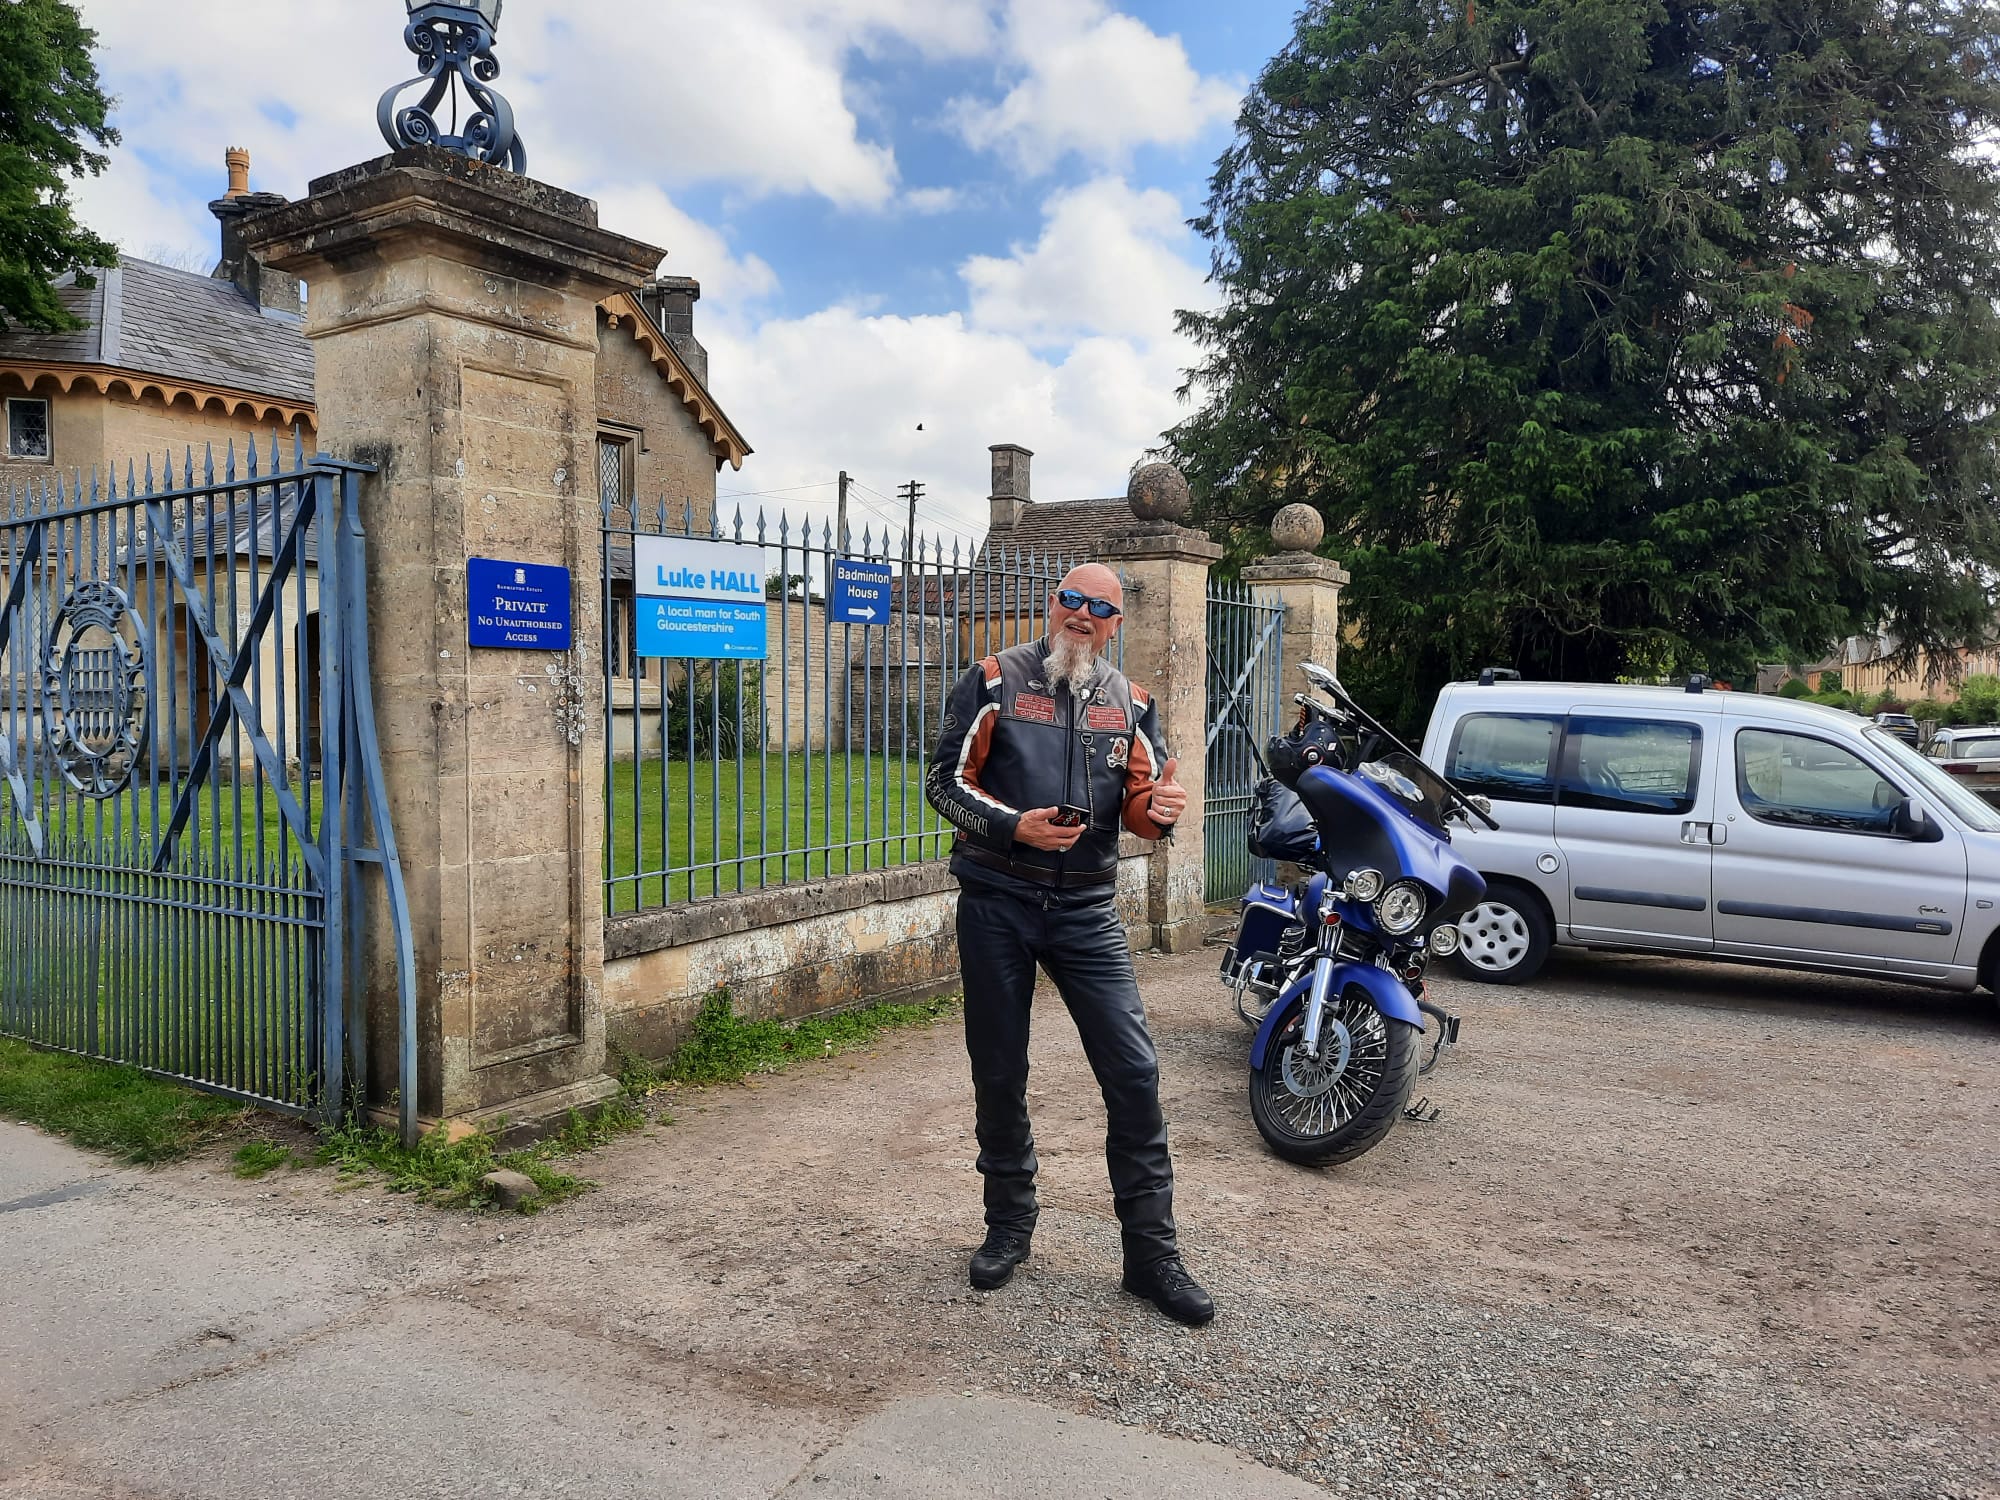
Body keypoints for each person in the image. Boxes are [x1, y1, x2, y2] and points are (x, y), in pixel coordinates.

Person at [925, 562, 1214, 1326]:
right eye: (1071, 601)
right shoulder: (993, 679)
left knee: (1134, 1070)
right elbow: (942, 783)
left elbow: (1149, 814)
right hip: (997, 899)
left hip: (1087, 909)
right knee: (998, 1067)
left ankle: (1151, 1257)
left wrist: (1164, 810)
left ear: (1117, 623)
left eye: (1101, 608)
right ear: (1053, 607)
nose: (1083, 616)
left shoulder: (1133, 703)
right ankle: (1008, 1225)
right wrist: (1011, 825)